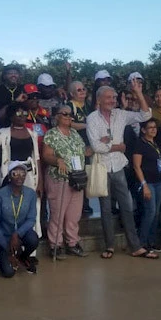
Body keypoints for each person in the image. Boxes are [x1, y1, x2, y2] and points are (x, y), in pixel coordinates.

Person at [87, 83, 158, 260]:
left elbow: (146, 114)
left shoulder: (121, 114)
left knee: (126, 206)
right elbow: (96, 146)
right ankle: (109, 246)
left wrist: (139, 93)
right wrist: (117, 146)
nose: (113, 100)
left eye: (114, 97)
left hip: (118, 166)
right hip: (102, 167)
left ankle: (135, 246)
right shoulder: (92, 118)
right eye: (109, 97)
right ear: (99, 100)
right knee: (105, 209)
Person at [41, 104, 90, 258]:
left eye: (70, 114)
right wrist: (57, 160)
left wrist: (99, 145)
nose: (69, 117)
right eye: (65, 114)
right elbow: (46, 155)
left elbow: (84, 151)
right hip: (59, 178)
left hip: (77, 178)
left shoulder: (75, 133)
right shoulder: (51, 134)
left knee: (74, 214)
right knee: (57, 213)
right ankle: (56, 244)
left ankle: (72, 242)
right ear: (57, 116)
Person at [0, 102, 43, 237]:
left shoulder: (32, 133)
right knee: (9, 207)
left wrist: (40, 182)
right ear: (11, 116)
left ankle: (30, 249)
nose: (22, 116)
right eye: (18, 113)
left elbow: (36, 158)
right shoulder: (4, 132)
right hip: (11, 175)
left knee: (30, 207)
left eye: (25, 113)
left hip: (30, 176)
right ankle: (9, 243)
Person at [0, 162, 39, 277]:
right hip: (4, 236)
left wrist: (17, 234)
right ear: (9, 176)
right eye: (15, 173)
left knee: (33, 239)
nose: (19, 177)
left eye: (22, 173)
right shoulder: (0, 195)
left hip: (21, 234)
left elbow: (31, 219)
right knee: (8, 273)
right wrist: (7, 248)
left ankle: (22, 257)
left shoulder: (31, 194)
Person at [132, 118, 161, 252]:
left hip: (159, 181)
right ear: (143, 130)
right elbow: (136, 166)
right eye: (150, 127)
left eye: (155, 127)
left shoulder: (155, 143)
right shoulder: (140, 144)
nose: (153, 129)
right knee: (150, 211)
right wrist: (144, 184)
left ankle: (152, 241)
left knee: (156, 213)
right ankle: (142, 242)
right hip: (148, 183)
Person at [66, 81, 90, 146]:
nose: (82, 92)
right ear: (72, 94)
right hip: (76, 144)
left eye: (83, 89)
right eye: (79, 90)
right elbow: (69, 124)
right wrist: (88, 126)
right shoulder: (69, 106)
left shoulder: (89, 104)